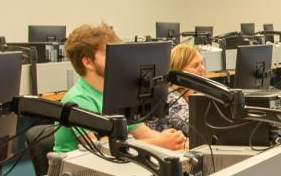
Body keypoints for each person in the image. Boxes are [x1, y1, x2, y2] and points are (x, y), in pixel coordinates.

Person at [53, 23, 188, 153]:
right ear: (88, 62)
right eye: (109, 54)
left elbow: (144, 133)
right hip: (82, 167)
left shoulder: (117, 94)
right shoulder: (78, 100)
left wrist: (175, 140)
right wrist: (161, 142)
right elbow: (100, 151)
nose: (118, 59)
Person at [149, 43, 207, 137]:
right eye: (195, 66)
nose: (202, 69)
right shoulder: (173, 99)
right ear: (178, 72)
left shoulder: (183, 93)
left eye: (202, 63)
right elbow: (201, 130)